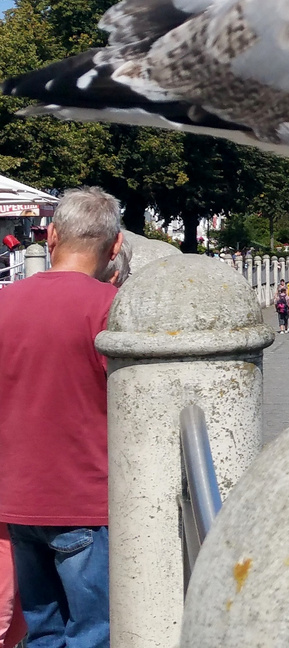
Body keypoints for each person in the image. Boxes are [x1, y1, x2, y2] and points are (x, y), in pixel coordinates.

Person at [0, 186, 123, 648]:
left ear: (50, 236)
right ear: (114, 247)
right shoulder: (109, 309)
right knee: (93, 634)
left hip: (17, 499)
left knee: (42, 632)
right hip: (86, 502)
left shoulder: (3, 304)